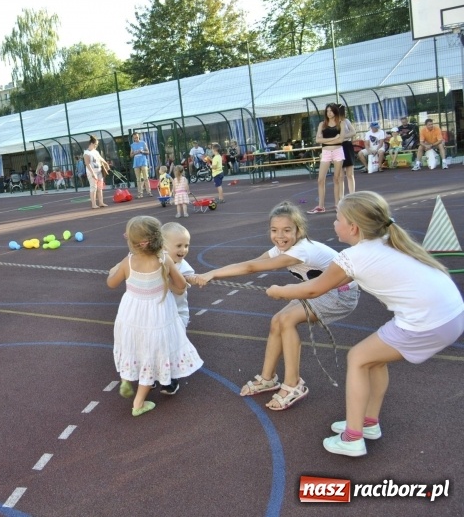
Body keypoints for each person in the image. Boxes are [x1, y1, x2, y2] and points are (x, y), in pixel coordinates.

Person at [266, 191, 463, 456]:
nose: (334, 224)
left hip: (427, 322)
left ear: (353, 227)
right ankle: (368, 423)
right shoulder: (388, 241)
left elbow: (313, 290)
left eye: (337, 219)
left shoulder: (354, 256)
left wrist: (280, 290)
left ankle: (352, 438)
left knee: (358, 358)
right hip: (452, 315)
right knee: (373, 360)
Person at [191, 201, 359, 410]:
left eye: (287, 230)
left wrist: (213, 273)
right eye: (274, 230)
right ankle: (268, 378)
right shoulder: (281, 248)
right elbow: (252, 263)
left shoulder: (301, 251)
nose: (280, 236)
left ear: (299, 231)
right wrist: (210, 275)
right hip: (319, 289)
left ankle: (293, 384)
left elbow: (252, 267)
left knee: (287, 320)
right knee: (277, 321)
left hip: (340, 295)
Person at [107, 216, 203, 416]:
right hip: (157, 316)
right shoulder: (163, 260)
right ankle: (138, 403)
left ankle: (129, 378)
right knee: (154, 348)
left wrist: (115, 270)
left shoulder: (129, 261)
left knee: (138, 345)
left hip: (132, 315)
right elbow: (180, 287)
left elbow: (111, 283)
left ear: (133, 242)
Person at [160, 221, 198, 395]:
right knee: (157, 344)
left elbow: (179, 289)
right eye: (179, 245)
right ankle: (154, 375)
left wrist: (167, 277)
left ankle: (170, 378)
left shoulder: (184, 267)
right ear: (163, 246)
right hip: (159, 315)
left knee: (172, 346)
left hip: (177, 314)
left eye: (186, 245)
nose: (183, 250)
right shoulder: (157, 262)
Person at [308, 104, 345, 214]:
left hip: (338, 151)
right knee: (320, 180)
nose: (329, 113)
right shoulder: (322, 124)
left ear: (335, 112)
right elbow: (318, 140)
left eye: (331, 111)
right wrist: (334, 138)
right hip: (326, 152)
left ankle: (337, 204)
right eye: (327, 111)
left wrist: (326, 140)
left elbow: (341, 139)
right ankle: (320, 206)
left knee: (336, 179)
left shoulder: (341, 123)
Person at [84, 135, 109, 209]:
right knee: (93, 188)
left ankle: (101, 202)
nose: (96, 146)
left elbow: (100, 158)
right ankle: (93, 204)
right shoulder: (86, 153)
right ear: (91, 143)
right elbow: (87, 163)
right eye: (95, 144)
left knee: (99, 188)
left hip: (99, 171)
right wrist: (92, 173)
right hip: (92, 172)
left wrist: (106, 163)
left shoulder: (95, 151)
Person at [338, 105, 357, 196]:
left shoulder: (346, 121)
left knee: (350, 174)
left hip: (347, 146)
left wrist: (344, 136)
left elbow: (353, 132)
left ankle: (352, 195)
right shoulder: (331, 123)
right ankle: (341, 198)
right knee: (340, 176)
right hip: (337, 147)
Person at [130, 133, 152, 198]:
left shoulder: (143, 143)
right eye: (134, 138)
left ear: (138, 136)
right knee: (138, 179)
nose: (136, 139)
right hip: (136, 164)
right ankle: (140, 193)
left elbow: (148, 152)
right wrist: (134, 153)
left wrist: (142, 151)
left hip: (143, 162)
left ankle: (149, 192)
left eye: (137, 137)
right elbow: (131, 155)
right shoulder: (132, 145)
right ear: (133, 138)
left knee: (146, 178)